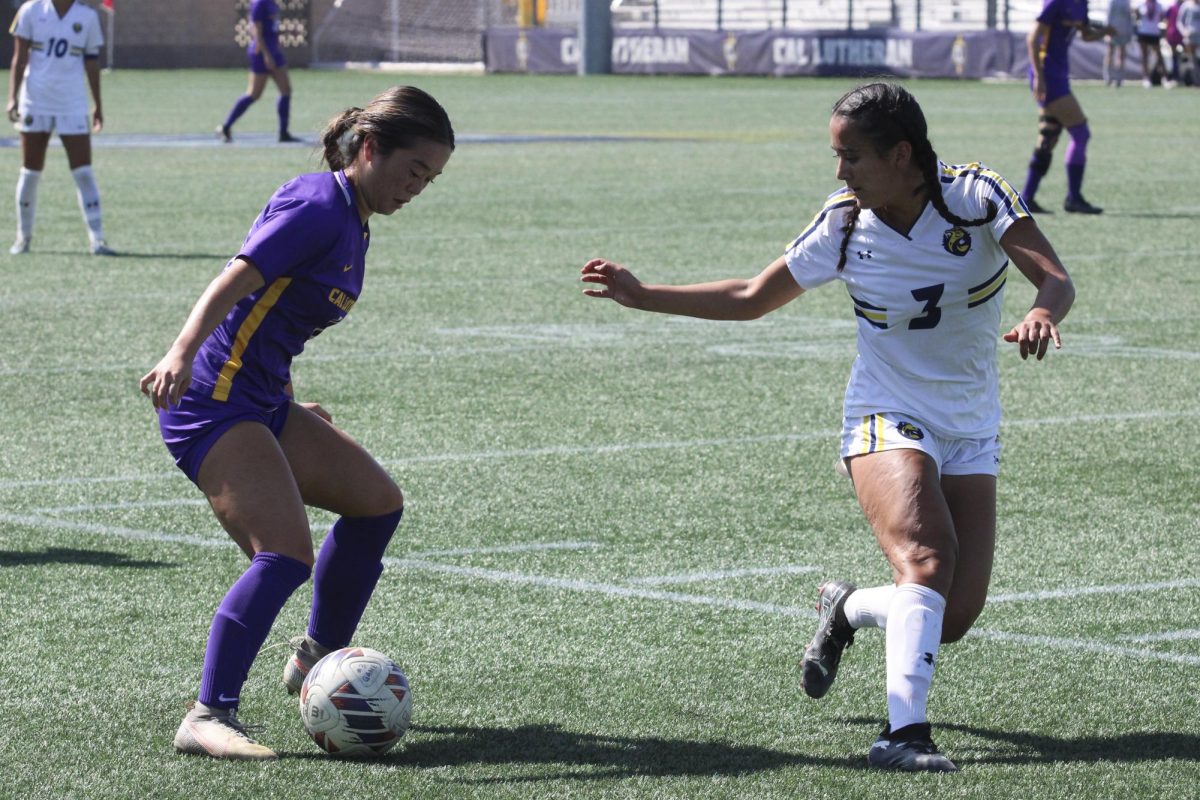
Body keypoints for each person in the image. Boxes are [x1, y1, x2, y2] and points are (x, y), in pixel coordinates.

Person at [580, 83, 1075, 772]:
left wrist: (1046, 311)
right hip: (883, 413)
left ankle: (844, 611)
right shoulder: (844, 223)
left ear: (902, 154)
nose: (839, 173)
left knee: (950, 616)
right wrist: (645, 296)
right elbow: (754, 297)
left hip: (970, 423)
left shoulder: (976, 196)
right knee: (925, 561)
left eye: (853, 157)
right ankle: (904, 737)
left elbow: (1055, 278)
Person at [140, 86, 454, 760]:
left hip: (260, 399)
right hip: (213, 401)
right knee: (284, 555)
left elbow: (277, 321)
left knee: (376, 504)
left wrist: (287, 399)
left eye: (430, 179)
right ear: (370, 149)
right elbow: (240, 277)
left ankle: (318, 656)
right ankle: (206, 715)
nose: (418, 187)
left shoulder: (353, 217)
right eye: (413, 170)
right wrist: (180, 352)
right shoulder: (319, 206)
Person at [6, 0, 113, 255]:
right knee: (30, 172)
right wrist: (13, 96)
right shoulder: (30, 10)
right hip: (36, 100)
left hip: (72, 103)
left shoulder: (86, 16)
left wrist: (97, 104)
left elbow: (91, 63)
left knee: (84, 171)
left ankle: (97, 239)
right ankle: (24, 237)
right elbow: (19, 56)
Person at [1023, 0, 1114, 215]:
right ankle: (1074, 198)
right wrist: (1038, 75)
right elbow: (1033, 37)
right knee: (1081, 133)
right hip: (1049, 76)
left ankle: (1027, 198)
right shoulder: (1056, 3)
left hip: (1059, 74)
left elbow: (1085, 34)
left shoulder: (1081, 3)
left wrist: (1106, 32)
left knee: (1049, 134)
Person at [217, 0, 298, 143]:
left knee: (286, 90)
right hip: (261, 53)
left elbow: (272, 28)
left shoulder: (273, 3)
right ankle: (226, 126)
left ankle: (283, 133)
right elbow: (256, 30)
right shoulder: (259, 3)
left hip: (274, 52)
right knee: (254, 94)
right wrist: (266, 55)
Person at [1134, 0, 1169, 85]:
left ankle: (1164, 78)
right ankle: (1146, 78)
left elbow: (1162, 19)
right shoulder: (1141, 4)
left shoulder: (1159, 5)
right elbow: (1137, 18)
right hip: (1143, 32)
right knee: (1144, 56)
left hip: (1154, 32)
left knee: (1159, 55)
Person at [1105, 0, 1135, 85]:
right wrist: (1107, 31)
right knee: (1110, 52)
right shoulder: (1112, 1)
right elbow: (1108, 15)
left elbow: (1129, 17)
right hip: (1112, 30)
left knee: (1121, 54)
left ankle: (1119, 78)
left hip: (1123, 30)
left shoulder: (1126, 1)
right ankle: (1108, 77)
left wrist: (1130, 31)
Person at [1179, 0, 1200, 82]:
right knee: (1191, 58)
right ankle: (1194, 79)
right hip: (1190, 36)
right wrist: (1183, 31)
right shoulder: (1186, 5)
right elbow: (1179, 21)